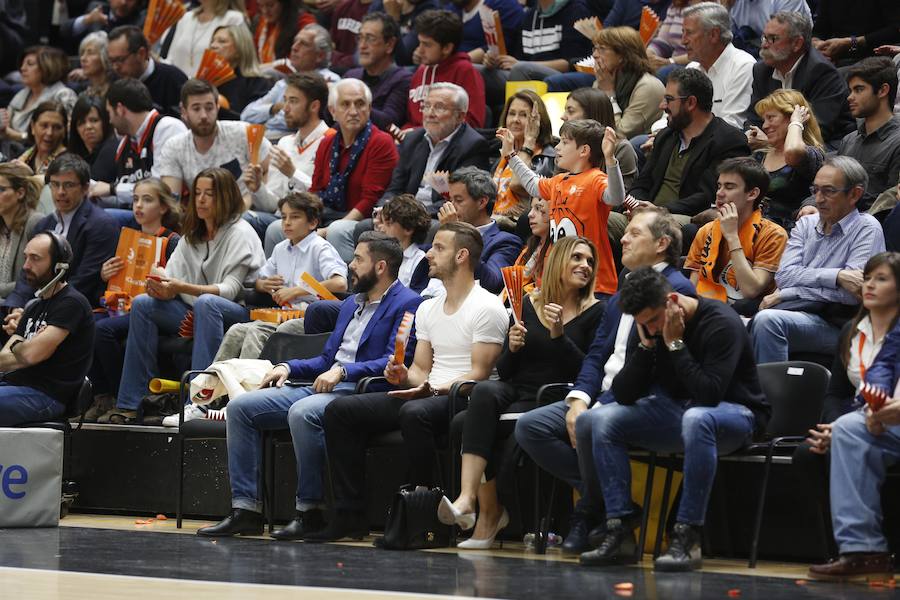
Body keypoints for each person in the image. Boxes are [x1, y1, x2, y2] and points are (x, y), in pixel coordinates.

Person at [195, 232, 422, 538]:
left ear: (380, 267)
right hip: (325, 383)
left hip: (361, 390)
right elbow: (326, 359)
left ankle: (310, 510)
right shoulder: (350, 304)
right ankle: (246, 510)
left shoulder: (408, 303)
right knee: (240, 408)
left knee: (303, 412)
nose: (351, 265)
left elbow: (393, 360)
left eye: (358, 259)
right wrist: (287, 366)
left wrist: (343, 371)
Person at [308, 222, 508, 542]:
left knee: (414, 413)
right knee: (341, 411)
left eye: (439, 248)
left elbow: (479, 373)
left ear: (462, 256)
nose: (429, 254)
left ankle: (421, 516)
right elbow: (420, 369)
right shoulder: (428, 307)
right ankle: (349, 515)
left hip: (465, 396)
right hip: (427, 392)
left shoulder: (487, 306)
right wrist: (402, 376)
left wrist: (430, 388)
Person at [516, 206, 693, 555]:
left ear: (661, 244)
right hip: (603, 393)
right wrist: (579, 398)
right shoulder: (625, 287)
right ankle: (612, 500)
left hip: (645, 398)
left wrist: (592, 408)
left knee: (590, 423)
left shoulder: (677, 288)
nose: (622, 239)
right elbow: (597, 355)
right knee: (530, 427)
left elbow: (661, 366)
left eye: (634, 233)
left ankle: (592, 512)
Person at [578, 267, 769, 571]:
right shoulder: (650, 328)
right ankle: (620, 526)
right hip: (679, 411)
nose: (652, 329)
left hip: (736, 414)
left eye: (654, 320)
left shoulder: (722, 323)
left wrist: (676, 344)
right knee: (597, 420)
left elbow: (709, 395)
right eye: (644, 324)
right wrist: (645, 348)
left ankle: (688, 535)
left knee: (697, 418)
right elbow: (624, 394)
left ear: (673, 301)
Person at [439, 237, 604, 548]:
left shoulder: (597, 311)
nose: (585, 266)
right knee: (482, 395)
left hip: (555, 398)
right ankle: (469, 500)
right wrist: (512, 348)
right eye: (577, 258)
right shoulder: (529, 303)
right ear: (558, 263)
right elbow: (506, 370)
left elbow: (589, 370)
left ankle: (491, 515)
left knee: (466, 424)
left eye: (590, 261)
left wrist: (559, 337)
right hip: (519, 393)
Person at [106, 168, 265, 424]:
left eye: (209, 194)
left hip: (236, 313)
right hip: (194, 310)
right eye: (197, 193)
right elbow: (171, 277)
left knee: (207, 303)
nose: (200, 199)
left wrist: (180, 287)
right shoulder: (192, 234)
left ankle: (200, 402)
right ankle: (133, 402)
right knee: (144, 304)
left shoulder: (240, 232)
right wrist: (160, 285)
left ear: (225, 197)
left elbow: (230, 289)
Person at [791, 252, 900, 561]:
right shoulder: (852, 331)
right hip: (867, 419)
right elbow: (835, 394)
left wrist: (844, 429)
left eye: (881, 279)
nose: (869, 285)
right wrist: (835, 426)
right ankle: (843, 549)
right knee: (809, 453)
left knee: (847, 435)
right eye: (867, 278)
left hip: (888, 419)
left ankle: (865, 547)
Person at [750, 157, 886, 364]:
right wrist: (837, 276)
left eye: (829, 191)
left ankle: (771, 386)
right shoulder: (806, 224)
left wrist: (789, 293)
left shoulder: (867, 228)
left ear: (854, 194)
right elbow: (785, 276)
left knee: (768, 321)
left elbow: (851, 294)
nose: (819, 199)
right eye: (815, 190)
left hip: (840, 324)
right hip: (798, 311)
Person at [206, 192, 346, 369]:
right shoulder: (281, 248)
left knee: (257, 331)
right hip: (285, 314)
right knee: (236, 331)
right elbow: (258, 280)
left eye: (294, 217)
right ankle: (213, 381)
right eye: (284, 217)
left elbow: (340, 283)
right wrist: (263, 285)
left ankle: (247, 382)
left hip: (311, 318)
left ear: (312, 223)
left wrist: (296, 290)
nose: (287, 222)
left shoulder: (320, 247)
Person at [87, 178, 182, 421]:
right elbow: (104, 291)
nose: (138, 205)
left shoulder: (172, 241)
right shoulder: (126, 238)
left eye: (147, 200)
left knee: (103, 331)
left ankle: (120, 397)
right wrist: (104, 276)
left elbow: (178, 287)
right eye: (135, 199)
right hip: (121, 306)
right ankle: (101, 396)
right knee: (85, 323)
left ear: (163, 207)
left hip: (153, 309)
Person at [501, 118, 624, 298]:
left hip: (593, 284)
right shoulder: (558, 181)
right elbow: (532, 184)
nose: (557, 148)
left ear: (584, 150)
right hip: (558, 281)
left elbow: (616, 197)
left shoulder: (595, 179)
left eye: (564, 142)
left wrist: (610, 160)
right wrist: (511, 155)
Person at [626, 68, 750, 235]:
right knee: (602, 218)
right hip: (648, 213)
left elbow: (707, 196)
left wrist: (659, 210)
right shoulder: (666, 135)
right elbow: (642, 183)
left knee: (649, 230)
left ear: (691, 103)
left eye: (669, 99)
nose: (662, 105)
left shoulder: (728, 141)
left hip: (687, 218)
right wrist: (636, 206)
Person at [0, 232, 95, 426]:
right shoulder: (33, 306)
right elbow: (3, 361)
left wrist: (20, 346)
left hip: (46, 396)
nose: (26, 266)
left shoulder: (72, 303)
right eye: (26, 257)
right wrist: (28, 345)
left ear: (59, 266)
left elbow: (31, 356)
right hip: (15, 387)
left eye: (35, 259)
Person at [4, 154, 118, 310]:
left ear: (85, 188)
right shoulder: (44, 224)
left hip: (74, 308)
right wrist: (14, 308)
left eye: (68, 185)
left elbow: (84, 281)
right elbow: (27, 276)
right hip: (40, 304)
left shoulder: (101, 225)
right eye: (55, 184)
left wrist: (35, 310)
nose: (60, 192)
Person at [307, 79, 398, 263]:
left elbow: (370, 199)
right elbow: (315, 191)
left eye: (360, 104)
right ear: (333, 111)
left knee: (337, 230)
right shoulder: (326, 143)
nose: (354, 111)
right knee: (279, 227)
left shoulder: (381, 142)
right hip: (327, 213)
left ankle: (345, 281)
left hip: (362, 219)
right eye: (345, 104)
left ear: (369, 108)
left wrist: (326, 230)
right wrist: (303, 219)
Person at [243, 73, 332, 254]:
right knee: (236, 220)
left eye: (293, 101)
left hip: (312, 220)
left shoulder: (331, 140)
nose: (285, 108)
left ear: (314, 106)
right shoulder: (285, 143)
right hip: (281, 217)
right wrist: (257, 188)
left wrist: (293, 173)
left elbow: (325, 199)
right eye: (285, 100)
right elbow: (274, 205)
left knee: (256, 222)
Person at [684, 157, 787, 314]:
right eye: (719, 186)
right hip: (707, 309)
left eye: (729, 187)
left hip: (746, 314)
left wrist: (732, 237)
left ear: (752, 193)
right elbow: (694, 287)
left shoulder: (773, 235)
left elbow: (751, 290)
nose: (719, 193)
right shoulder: (706, 231)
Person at [800, 57, 900, 218]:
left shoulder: (897, 142)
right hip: (833, 221)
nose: (850, 97)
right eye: (851, 90)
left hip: (870, 226)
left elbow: (891, 204)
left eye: (859, 89)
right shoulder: (849, 140)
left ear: (882, 90)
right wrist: (811, 205)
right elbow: (826, 183)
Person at [154, 78, 273, 211]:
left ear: (217, 107)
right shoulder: (174, 146)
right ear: (184, 111)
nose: (204, 115)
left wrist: (252, 199)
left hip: (250, 212)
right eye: (196, 108)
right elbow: (172, 201)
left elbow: (270, 168)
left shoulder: (243, 132)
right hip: (204, 216)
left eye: (209, 108)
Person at [742, 12, 854, 148]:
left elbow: (818, 130)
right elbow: (754, 116)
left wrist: (771, 142)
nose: (764, 45)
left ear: (797, 43)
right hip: (775, 143)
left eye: (773, 39)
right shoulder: (762, 70)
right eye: (764, 38)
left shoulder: (821, 72)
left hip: (826, 146)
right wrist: (752, 134)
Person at [379, 83, 491, 219]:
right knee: (365, 226)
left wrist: (409, 216)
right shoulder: (412, 139)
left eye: (439, 107)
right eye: (426, 106)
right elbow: (395, 188)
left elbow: (460, 200)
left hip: (437, 217)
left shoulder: (473, 146)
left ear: (460, 116)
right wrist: (383, 209)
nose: (430, 114)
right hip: (404, 215)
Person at [95, 78, 188, 212]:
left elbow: (162, 190)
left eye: (109, 112)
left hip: (172, 216)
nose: (110, 121)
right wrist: (92, 190)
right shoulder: (123, 144)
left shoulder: (168, 128)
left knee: (106, 216)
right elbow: (123, 200)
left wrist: (112, 189)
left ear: (120, 109)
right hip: (140, 215)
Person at [479, 0, 592, 108]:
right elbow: (517, 58)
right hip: (522, 72)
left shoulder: (575, 10)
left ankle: (517, 117)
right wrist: (495, 60)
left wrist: (521, 64)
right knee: (478, 71)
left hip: (561, 76)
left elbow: (573, 62)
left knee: (521, 69)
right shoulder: (529, 16)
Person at [241, 25, 341, 139]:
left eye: (303, 44)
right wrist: (273, 108)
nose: (294, 47)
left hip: (295, 140)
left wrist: (266, 120)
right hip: (266, 137)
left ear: (320, 55)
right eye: (295, 42)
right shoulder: (284, 83)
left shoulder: (331, 82)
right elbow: (246, 115)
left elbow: (293, 120)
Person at [745, 90, 826, 231]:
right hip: (752, 230)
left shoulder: (812, 154)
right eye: (764, 120)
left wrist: (796, 122)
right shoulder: (759, 155)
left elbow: (792, 151)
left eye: (771, 118)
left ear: (791, 118)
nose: (764, 126)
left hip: (789, 234)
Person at [440, 167, 523, 294]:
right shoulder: (443, 229)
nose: (451, 206)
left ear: (482, 202)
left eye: (459, 200)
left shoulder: (507, 242)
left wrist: (458, 233)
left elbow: (492, 283)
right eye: (451, 200)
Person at [405, 10, 485, 129]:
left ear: (447, 48)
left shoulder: (465, 71)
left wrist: (417, 133)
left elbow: (472, 123)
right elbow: (410, 120)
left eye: (427, 45)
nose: (419, 50)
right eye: (420, 43)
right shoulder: (421, 71)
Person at [682, 2, 755, 130]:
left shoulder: (743, 66)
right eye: (683, 32)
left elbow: (732, 124)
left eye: (689, 33)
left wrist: (685, 133)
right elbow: (670, 113)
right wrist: (660, 132)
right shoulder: (692, 68)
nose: (683, 41)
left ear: (714, 34)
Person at [491, 91, 556, 225]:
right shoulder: (504, 154)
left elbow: (517, 184)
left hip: (523, 228)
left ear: (538, 121)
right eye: (512, 113)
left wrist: (529, 141)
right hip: (497, 222)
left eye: (523, 115)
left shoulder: (546, 157)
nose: (515, 120)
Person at [342, 13, 412, 132]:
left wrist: (350, 102)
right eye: (360, 38)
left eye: (370, 38)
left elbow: (389, 122)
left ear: (389, 45)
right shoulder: (351, 76)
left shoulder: (403, 79)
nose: (362, 46)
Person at [0, 46, 77, 151]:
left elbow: (68, 137)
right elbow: (5, 129)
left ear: (47, 67)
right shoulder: (21, 94)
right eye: (22, 64)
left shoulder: (63, 95)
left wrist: (16, 136)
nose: (22, 68)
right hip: (12, 153)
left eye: (30, 64)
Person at [560, 88, 639, 190]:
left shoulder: (622, 149)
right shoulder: (567, 145)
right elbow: (556, 187)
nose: (563, 116)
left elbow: (620, 195)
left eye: (570, 111)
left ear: (591, 115)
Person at [106, 26, 189, 117]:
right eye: (111, 61)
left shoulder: (173, 79)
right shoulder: (114, 80)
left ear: (141, 53)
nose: (115, 67)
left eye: (120, 60)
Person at [161, 0, 247, 78]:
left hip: (210, 87)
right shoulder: (186, 17)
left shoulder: (233, 18)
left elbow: (237, 61)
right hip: (177, 85)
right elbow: (171, 60)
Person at [208, 25, 275, 114]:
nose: (213, 46)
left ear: (240, 49)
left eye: (222, 41)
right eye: (212, 41)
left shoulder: (257, 83)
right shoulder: (207, 81)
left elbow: (254, 117)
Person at [0, 163, 43, 301]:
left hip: (20, 303)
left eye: (1, 189)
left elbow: (35, 279)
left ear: (20, 193)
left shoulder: (34, 222)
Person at [811, 0, 900, 67]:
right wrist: (817, 43)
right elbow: (820, 30)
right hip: (836, 56)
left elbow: (895, 31)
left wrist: (852, 42)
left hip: (874, 56)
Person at [376, 194, 432, 293]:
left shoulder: (419, 261)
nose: (382, 228)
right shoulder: (381, 256)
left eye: (388, 224)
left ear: (408, 229)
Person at [59, 0, 146, 53]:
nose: (123, 2)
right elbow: (65, 31)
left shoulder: (141, 19)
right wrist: (87, 19)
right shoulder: (97, 8)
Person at [67, 95, 118, 185]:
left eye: (94, 120)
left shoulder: (112, 148)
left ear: (106, 121)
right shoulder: (74, 155)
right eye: (82, 122)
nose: (88, 127)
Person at [17, 101, 69, 179]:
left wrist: (31, 176)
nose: (49, 133)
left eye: (56, 127)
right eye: (44, 126)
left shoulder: (68, 162)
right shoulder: (24, 156)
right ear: (33, 127)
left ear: (64, 131)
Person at [253, 0, 315, 64]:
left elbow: (306, 58)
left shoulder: (304, 22)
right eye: (261, 6)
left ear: (284, 4)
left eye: (270, 5)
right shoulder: (260, 22)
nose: (265, 11)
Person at [68, 32, 114, 99]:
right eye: (82, 53)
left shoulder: (117, 89)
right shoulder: (78, 91)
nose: (83, 58)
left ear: (105, 56)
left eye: (90, 53)